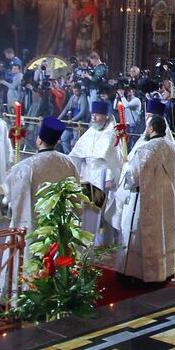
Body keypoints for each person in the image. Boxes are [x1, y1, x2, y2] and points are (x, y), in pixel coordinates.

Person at [1, 117, 78, 299]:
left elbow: (11, 198)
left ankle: (24, 297)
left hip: (32, 228)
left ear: (38, 140)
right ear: (57, 140)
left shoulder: (26, 166)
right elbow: (75, 196)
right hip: (58, 227)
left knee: (29, 260)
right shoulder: (68, 163)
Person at [112, 114, 175, 285]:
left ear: (151, 129)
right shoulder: (172, 147)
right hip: (165, 199)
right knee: (162, 235)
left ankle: (136, 274)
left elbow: (133, 179)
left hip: (146, 201)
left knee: (139, 236)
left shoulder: (146, 149)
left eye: (147, 126)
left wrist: (125, 167)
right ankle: (164, 272)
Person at [68, 99, 122, 245]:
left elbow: (114, 157)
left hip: (103, 175)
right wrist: (74, 171)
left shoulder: (111, 132)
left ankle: (104, 241)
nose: (94, 118)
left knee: (102, 208)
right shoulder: (91, 130)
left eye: (97, 115)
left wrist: (110, 178)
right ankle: (89, 239)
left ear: (105, 116)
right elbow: (77, 153)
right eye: (93, 115)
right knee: (89, 209)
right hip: (89, 174)